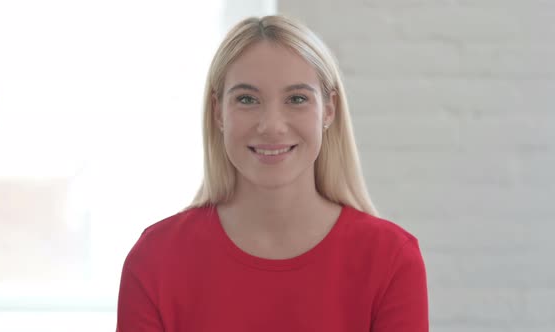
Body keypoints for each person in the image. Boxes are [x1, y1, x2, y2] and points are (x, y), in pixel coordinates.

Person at [116, 15, 428, 331]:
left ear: (329, 109)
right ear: (218, 111)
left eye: (297, 99)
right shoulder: (156, 258)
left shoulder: (391, 259)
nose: (272, 126)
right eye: (247, 99)